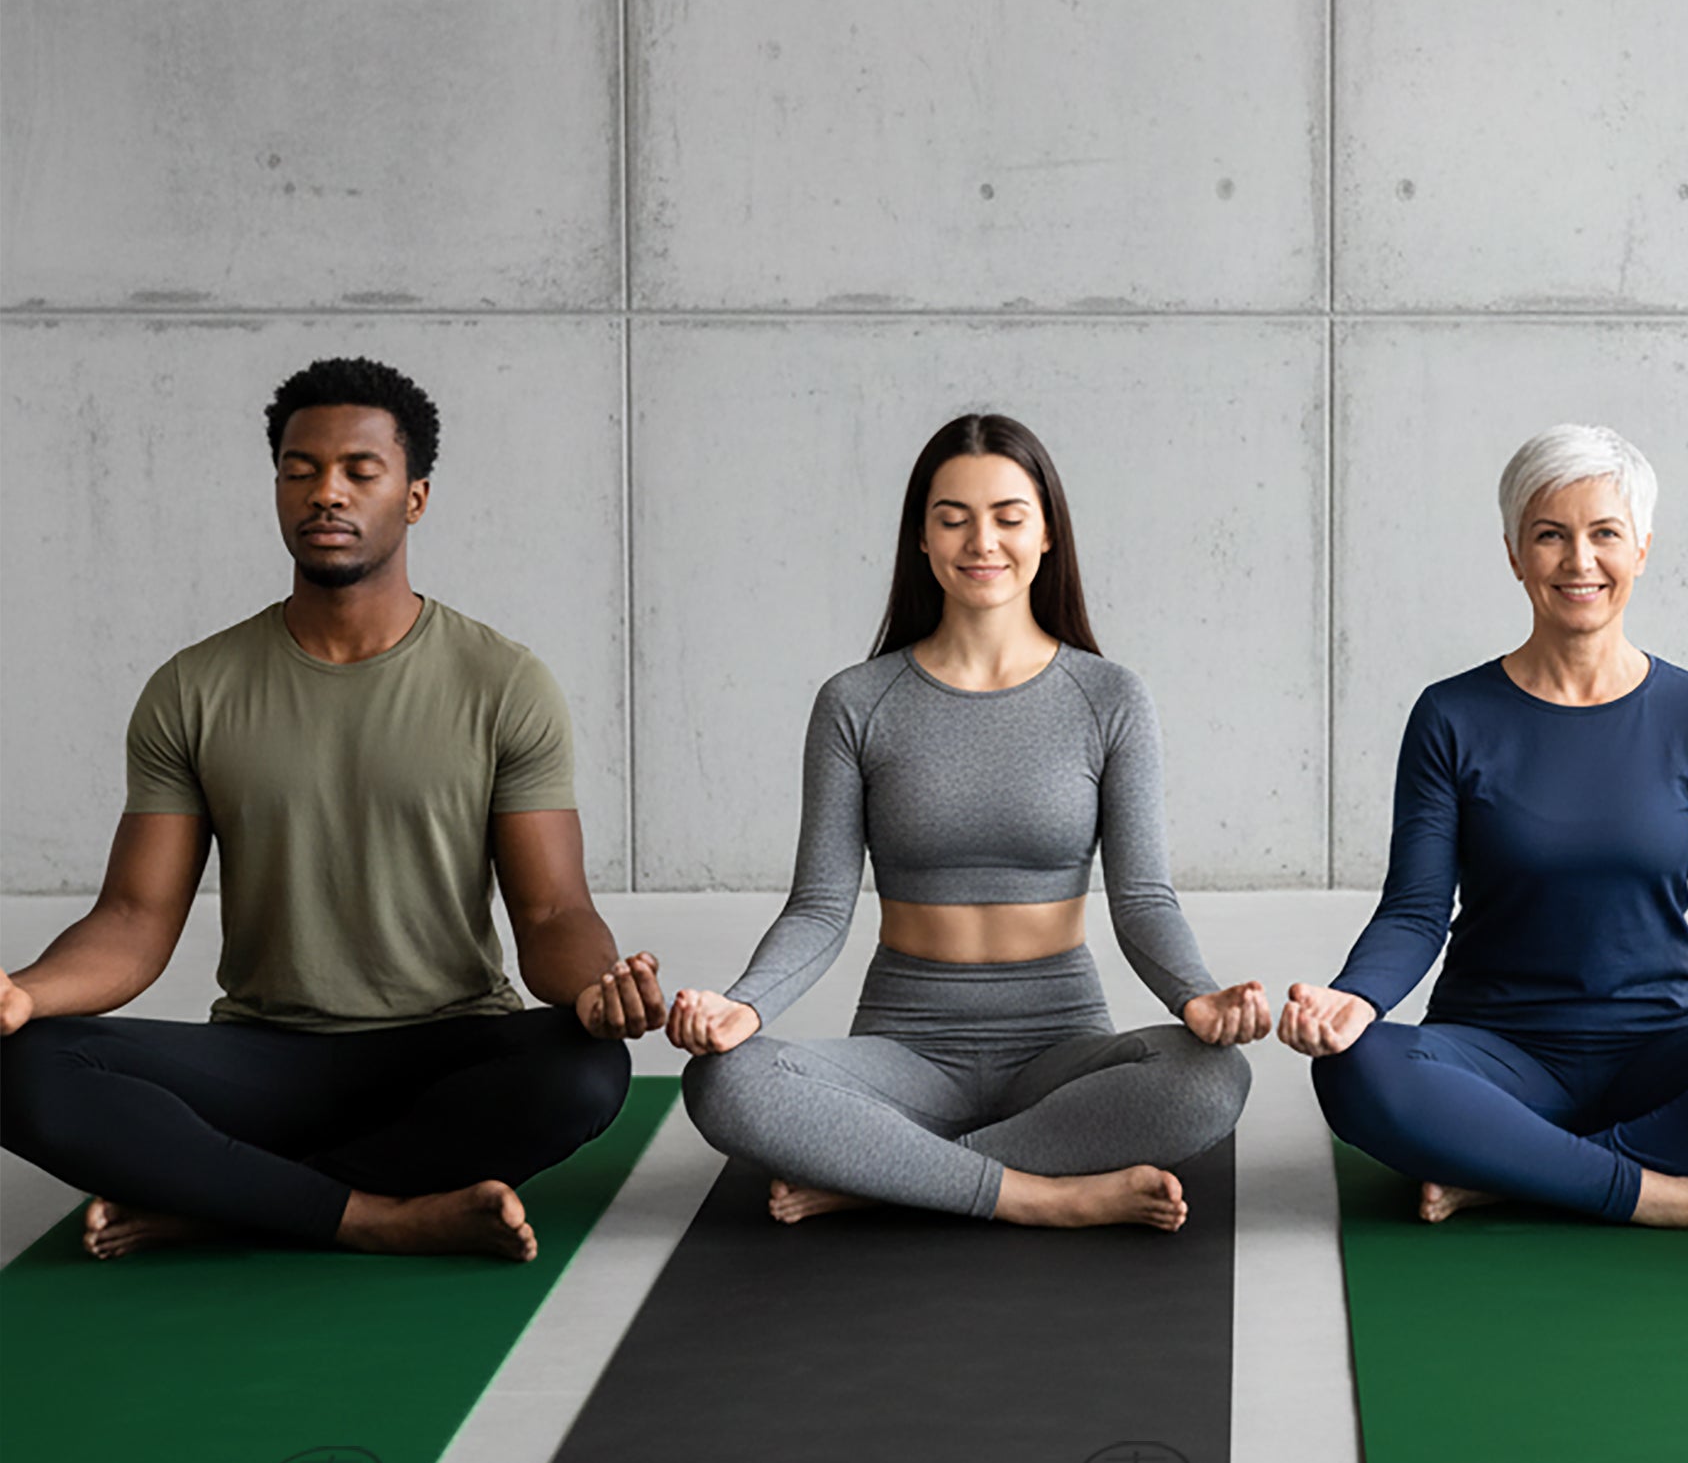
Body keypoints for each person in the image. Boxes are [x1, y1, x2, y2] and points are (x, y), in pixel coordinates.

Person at [0, 357, 656, 1263]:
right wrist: (21, 994)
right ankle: (381, 1216)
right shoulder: (194, 689)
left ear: (414, 498)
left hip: (449, 1044)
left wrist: (593, 991)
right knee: (22, 1066)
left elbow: (552, 910)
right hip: (267, 1055)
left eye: (359, 471)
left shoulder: (504, 683)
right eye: (299, 470)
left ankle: (225, 1199)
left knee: (585, 1073)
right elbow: (132, 921)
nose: (325, 493)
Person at [1279, 424, 1688, 1230]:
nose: (1579, 561)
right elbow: (1415, 912)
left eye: (1605, 535)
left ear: (1643, 550)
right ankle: (1673, 1195)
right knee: (1358, 1069)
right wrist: (1356, 999)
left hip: (1662, 1051)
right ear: (1516, 554)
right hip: (1495, 1051)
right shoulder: (1451, 715)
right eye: (1550, 536)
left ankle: (1517, 1169)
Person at [666, 413, 1262, 1232]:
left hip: (1059, 1045)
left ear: (1048, 533)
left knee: (1211, 1079)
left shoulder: (1111, 698)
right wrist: (744, 1008)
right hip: (903, 1048)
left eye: (1009, 518)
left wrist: (1198, 997)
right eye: (954, 519)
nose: (982, 541)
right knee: (722, 1081)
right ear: (922, 537)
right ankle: (1041, 1195)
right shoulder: (856, 702)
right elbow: (819, 909)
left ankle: (886, 1172)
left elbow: (1145, 900)